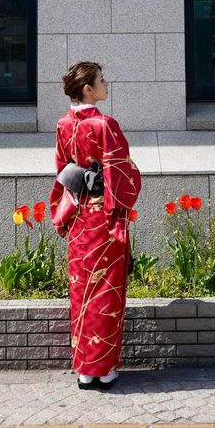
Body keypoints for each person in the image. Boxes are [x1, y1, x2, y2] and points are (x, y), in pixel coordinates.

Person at [49, 61, 141, 391]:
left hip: (78, 217)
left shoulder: (62, 124)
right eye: (102, 80)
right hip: (105, 216)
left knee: (81, 290)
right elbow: (123, 171)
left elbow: (63, 170)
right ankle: (104, 370)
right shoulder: (105, 124)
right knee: (106, 293)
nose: (106, 84)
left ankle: (85, 370)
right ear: (88, 88)